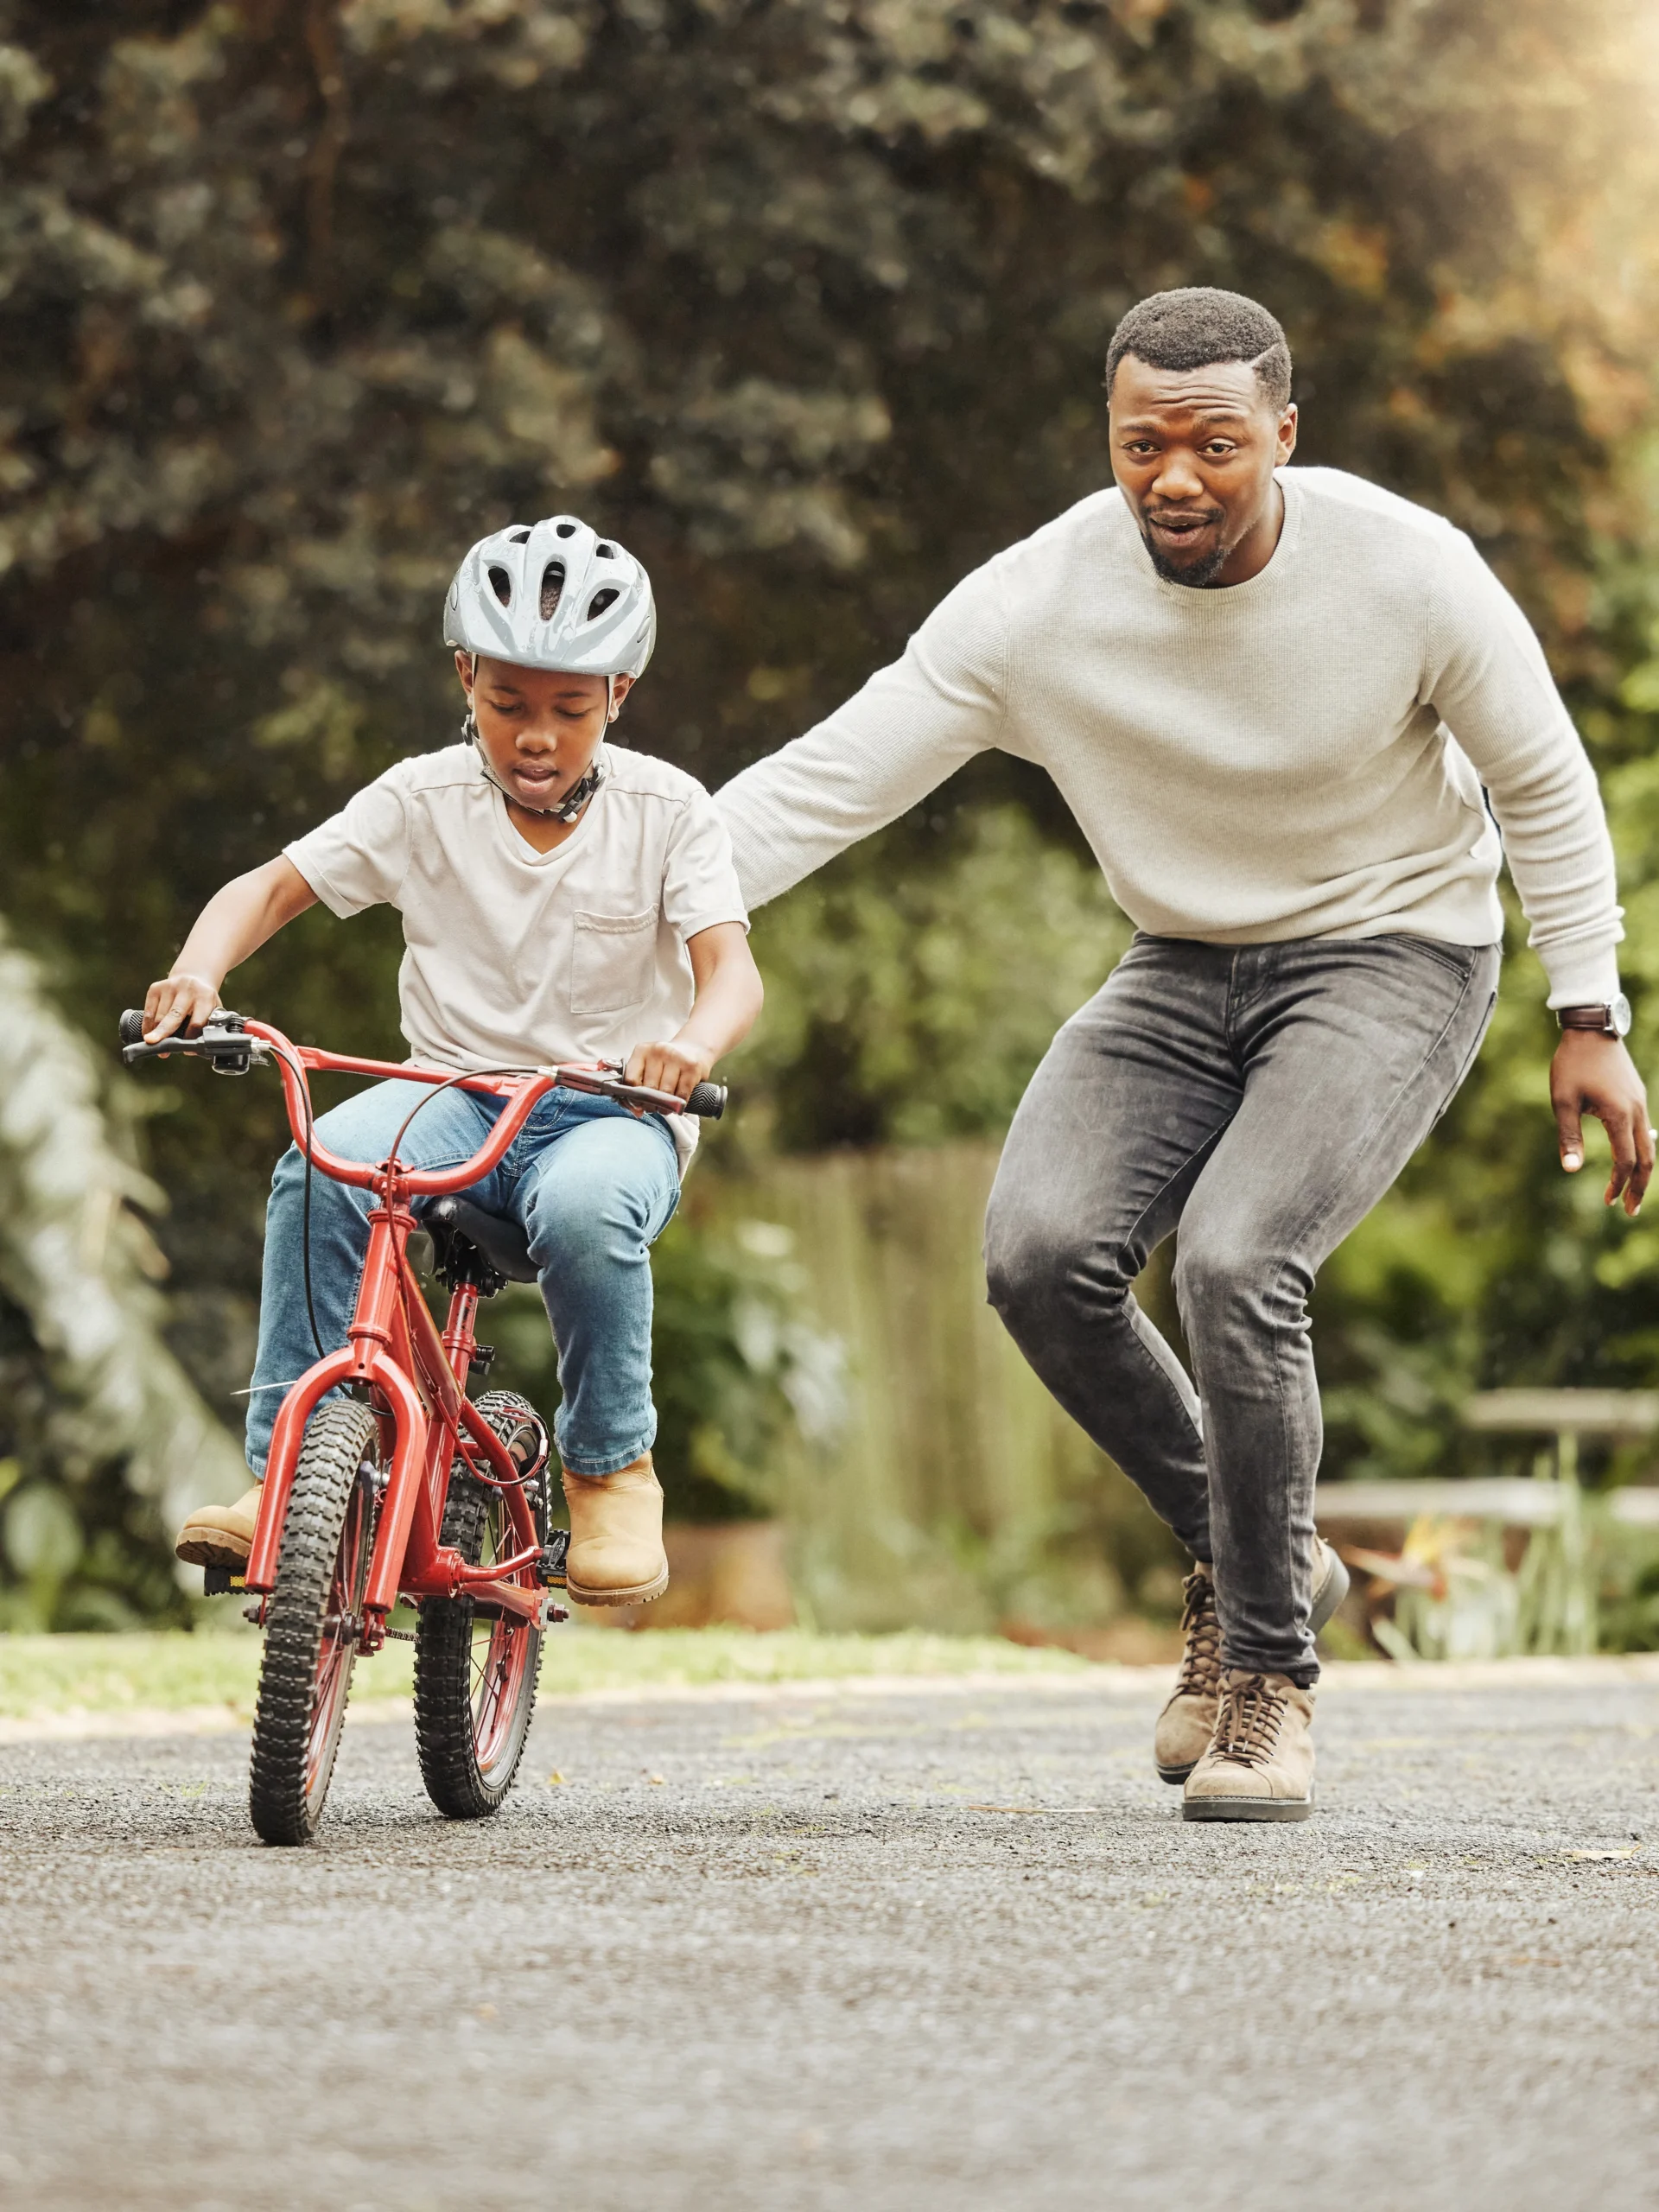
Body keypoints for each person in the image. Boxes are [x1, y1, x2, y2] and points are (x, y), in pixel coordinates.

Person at [715, 287, 1652, 1821]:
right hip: (1178, 964)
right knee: (1038, 1254)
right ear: (1110, 438)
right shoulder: (1035, 604)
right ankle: (1258, 1555)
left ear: (1284, 435)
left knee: (1235, 1259)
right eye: (1142, 443)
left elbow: (1543, 786)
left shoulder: (1410, 572)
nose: (1176, 477)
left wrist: (1590, 1016)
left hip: (1395, 950)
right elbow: (825, 782)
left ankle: (1269, 1678)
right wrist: (630, 908)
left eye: (1217, 444)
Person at [155, 515, 762, 1608]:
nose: (537, 736)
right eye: (507, 705)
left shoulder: (670, 811)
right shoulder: (421, 798)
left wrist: (690, 1044)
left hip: (608, 1114)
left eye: (571, 710)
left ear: (619, 693)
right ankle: (283, 1478)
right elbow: (270, 887)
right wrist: (198, 973)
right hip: (448, 1095)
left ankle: (611, 1467)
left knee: (584, 1213)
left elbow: (734, 974)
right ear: (464, 675)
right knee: (319, 1165)